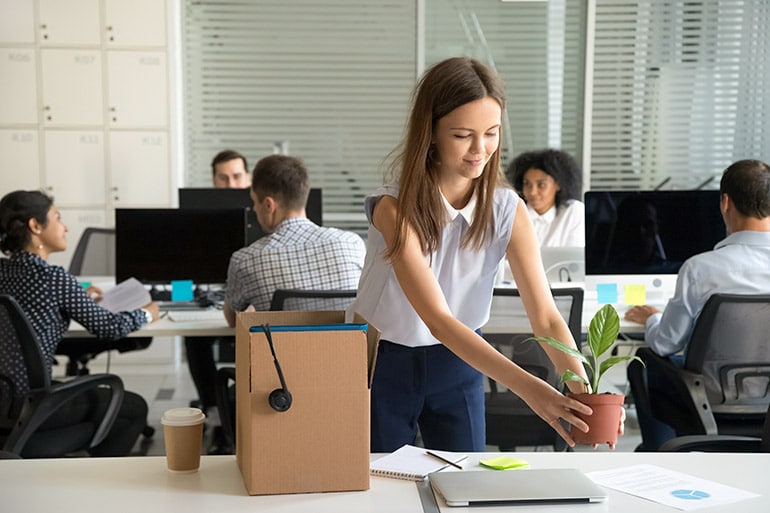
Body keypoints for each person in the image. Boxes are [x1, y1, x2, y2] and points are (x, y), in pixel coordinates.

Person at [346, 57, 596, 454]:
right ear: (430, 133)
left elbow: (547, 317)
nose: (481, 150)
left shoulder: (506, 209)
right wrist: (534, 391)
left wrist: (584, 392)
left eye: (492, 133)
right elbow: (439, 320)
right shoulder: (392, 208)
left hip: (462, 362)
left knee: (465, 482)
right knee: (381, 489)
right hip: (384, 363)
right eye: (463, 135)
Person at [0, 190, 159, 457]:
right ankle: (86, 475)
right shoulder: (53, 278)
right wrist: (146, 314)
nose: (65, 227)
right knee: (133, 409)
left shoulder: (5, 273)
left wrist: (77, 296)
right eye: (58, 218)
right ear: (35, 226)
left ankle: (32, 451)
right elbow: (108, 327)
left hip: (4, 399)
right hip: (31, 403)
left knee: (106, 416)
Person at [624, 159, 770, 450]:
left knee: (644, 362)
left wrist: (653, 319)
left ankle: (663, 454)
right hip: (766, 404)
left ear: (725, 202)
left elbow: (666, 344)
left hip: (707, 401)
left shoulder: (700, 269)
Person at [223, 154, 365, 323]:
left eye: (254, 202)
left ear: (269, 205)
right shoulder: (352, 244)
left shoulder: (246, 260)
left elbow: (233, 320)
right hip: (346, 349)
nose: (253, 208)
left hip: (282, 350)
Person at [184, 149, 250, 454]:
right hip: (211, 294)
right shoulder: (200, 213)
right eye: (223, 178)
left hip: (250, 297)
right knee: (195, 339)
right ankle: (215, 410)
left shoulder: (264, 209)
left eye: (237, 176)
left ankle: (239, 411)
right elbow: (182, 267)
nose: (230, 183)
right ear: (213, 181)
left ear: (247, 178)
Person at [507, 148, 584, 247]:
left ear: (558, 184)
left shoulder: (573, 211)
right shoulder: (511, 213)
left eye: (541, 185)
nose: (533, 192)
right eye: (527, 184)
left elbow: (574, 257)